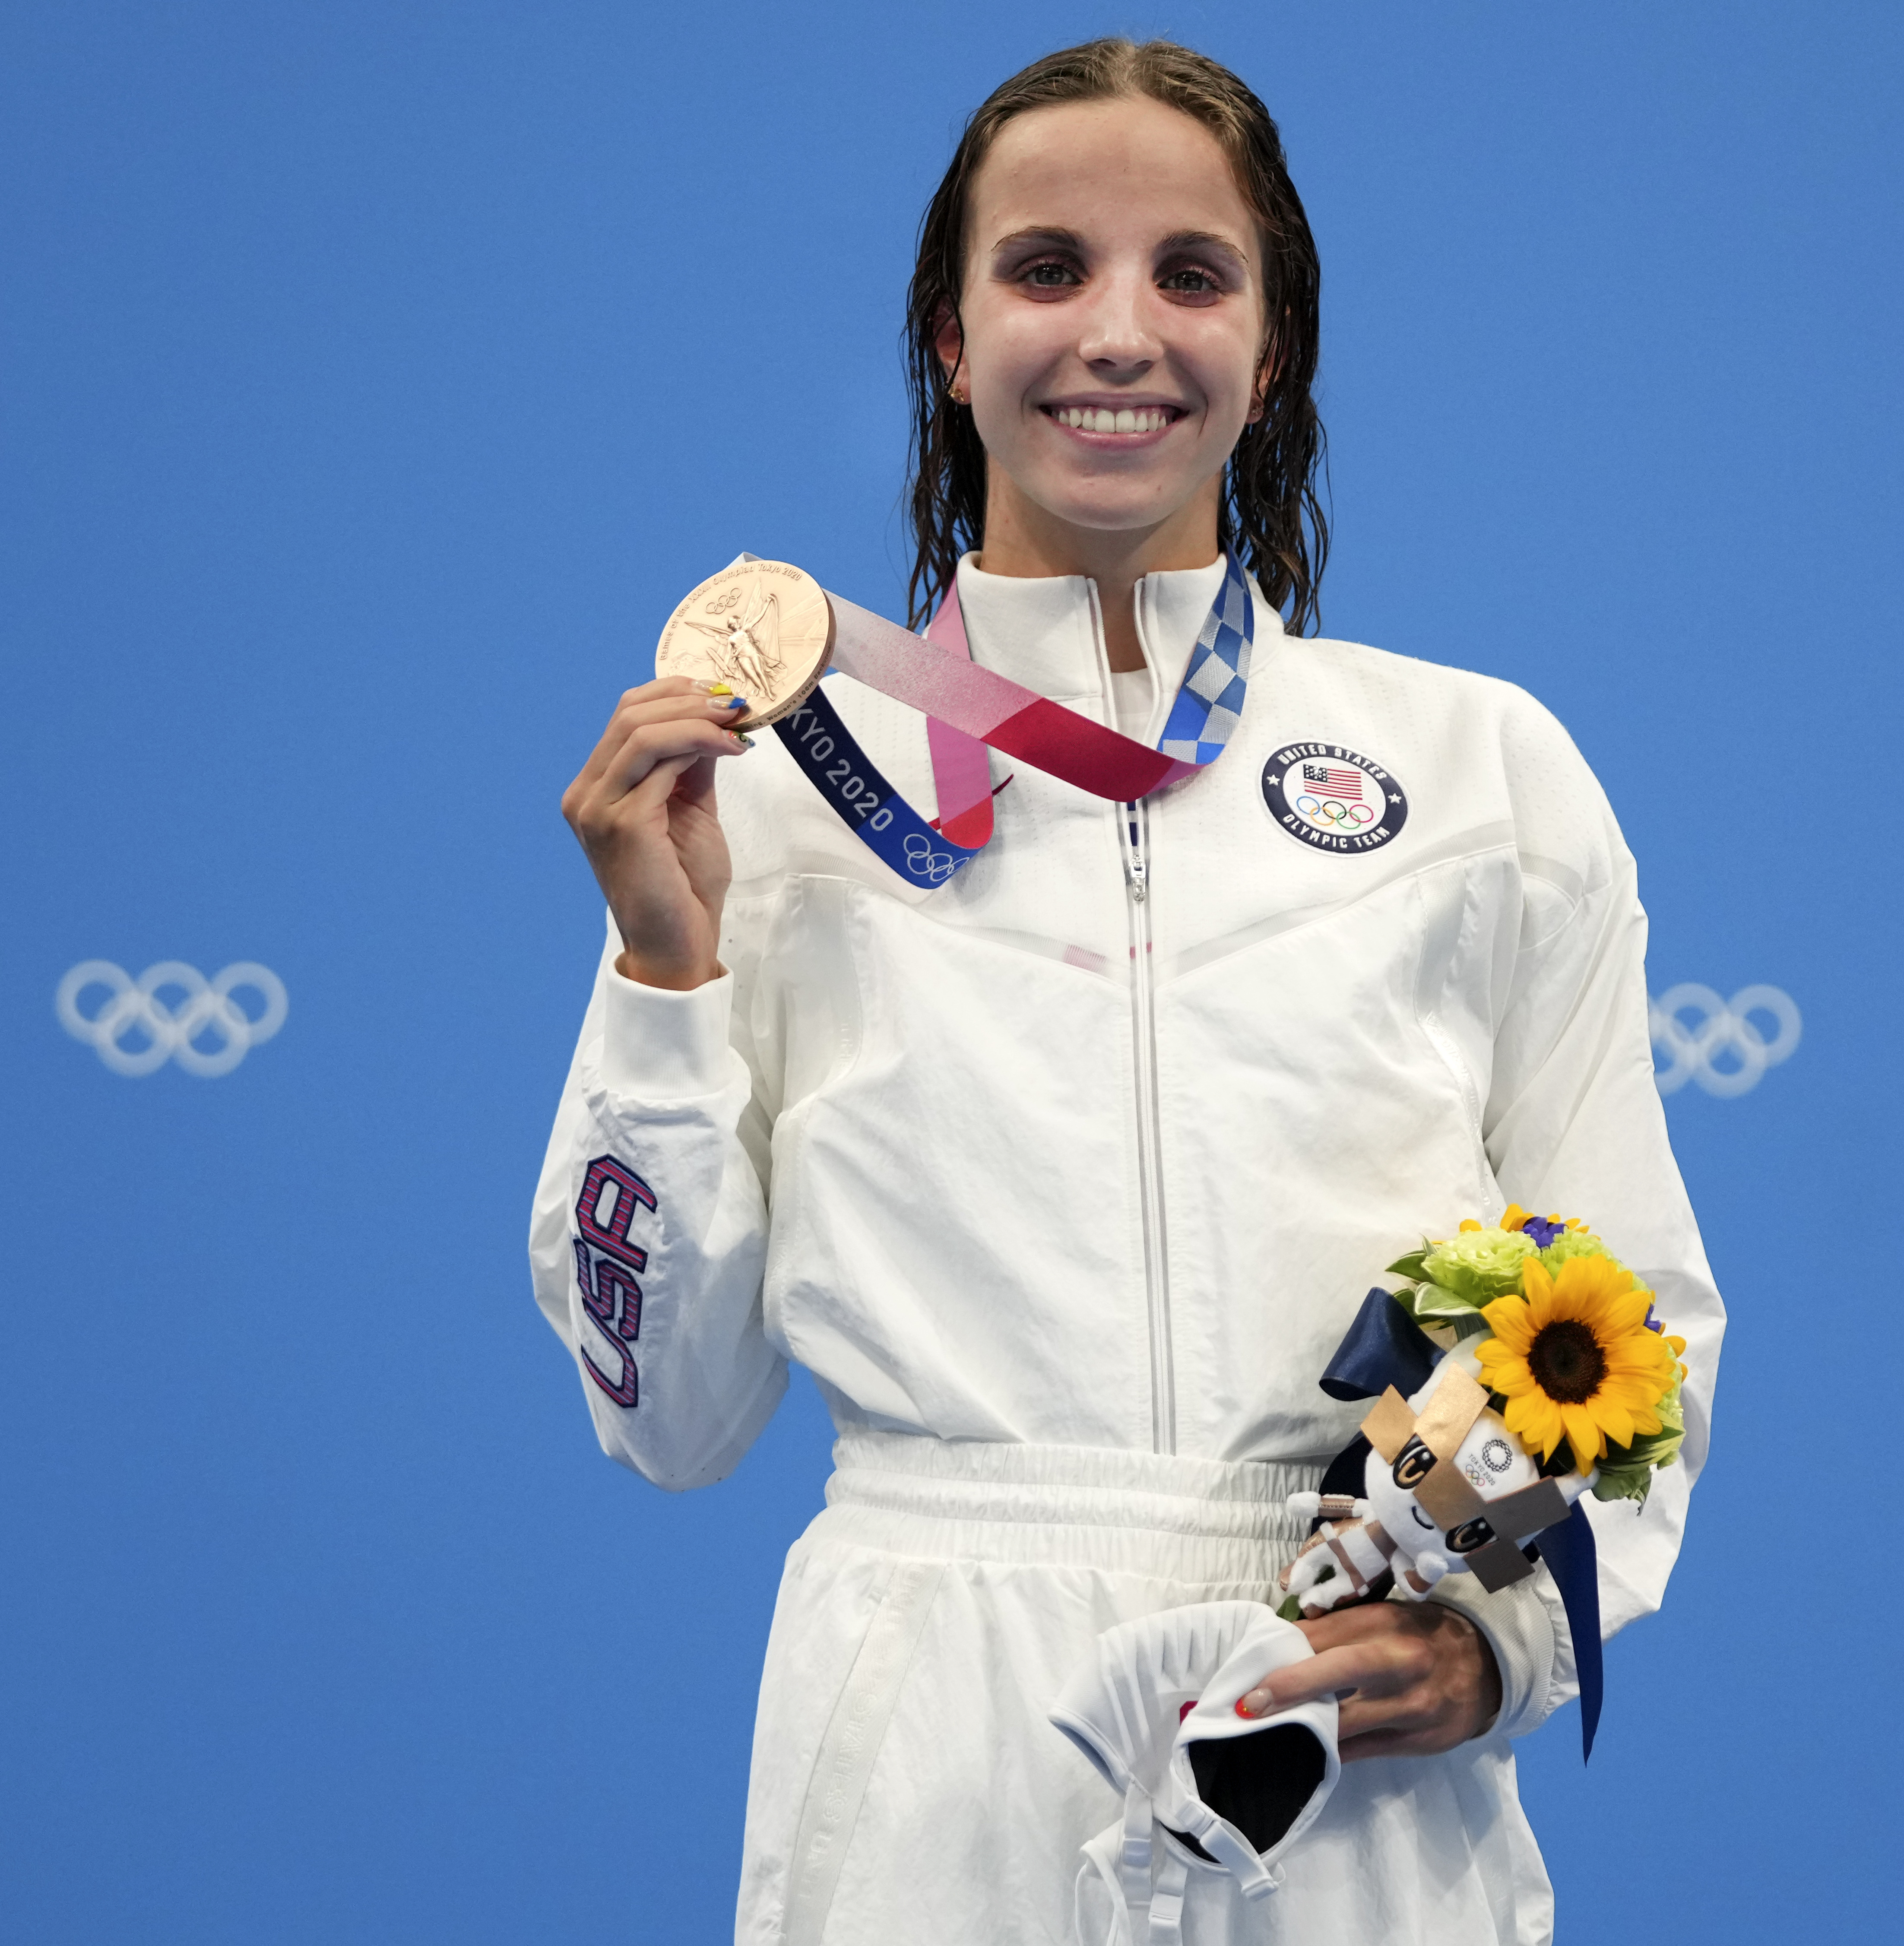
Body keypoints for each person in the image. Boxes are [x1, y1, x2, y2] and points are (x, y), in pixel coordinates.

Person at [533, 37, 1723, 1943]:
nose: (1116, 333)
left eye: (1189, 273)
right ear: (947, 337)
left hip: (1332, 1717)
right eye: (1045, 269)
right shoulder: (770, 787)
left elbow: (1632, 1303)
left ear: (1274, 344)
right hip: (930, 1738)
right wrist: (662, 973)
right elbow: (664, 1414)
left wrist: (1499, 1636)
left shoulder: (1483, 770)